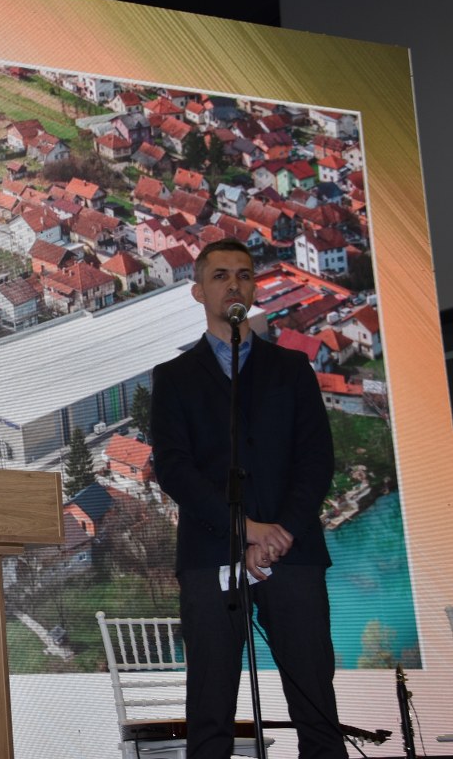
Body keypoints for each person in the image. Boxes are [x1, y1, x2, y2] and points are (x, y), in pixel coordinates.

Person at [150, 238, 345, 758]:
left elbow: (316, 460)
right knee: (210, 715)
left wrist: (280, 533)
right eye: (220, 275)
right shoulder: (173, 379)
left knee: (317, 710)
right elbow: (173, 469)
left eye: (244, 274)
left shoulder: (292, 369)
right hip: (210, 555)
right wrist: (245, 530)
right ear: (198, 291)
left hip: (293, 554)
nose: (233, 284)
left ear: (254, 288)